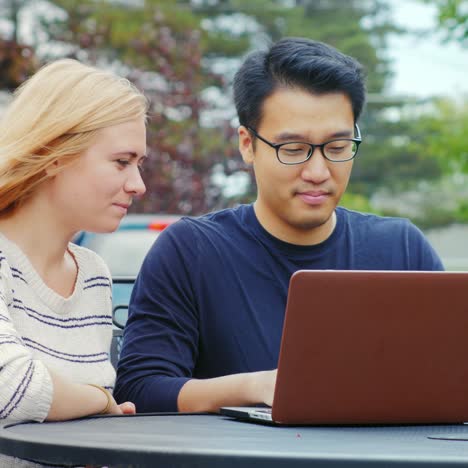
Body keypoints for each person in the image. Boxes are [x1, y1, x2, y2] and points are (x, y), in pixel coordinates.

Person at [114, 37, 443, 414]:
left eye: (337, 148)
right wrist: (259, 386)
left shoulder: (401, 249)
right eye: (293, 149)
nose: (318, 172)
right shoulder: (192, 251)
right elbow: (140, 389)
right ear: (247, 144)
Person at [0, 58, 147, 467]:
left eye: (139, 164)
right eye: (122, 162)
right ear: (55, 154)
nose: (138, 184)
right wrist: (101, 402)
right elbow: (10, 386)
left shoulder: (94, 276)